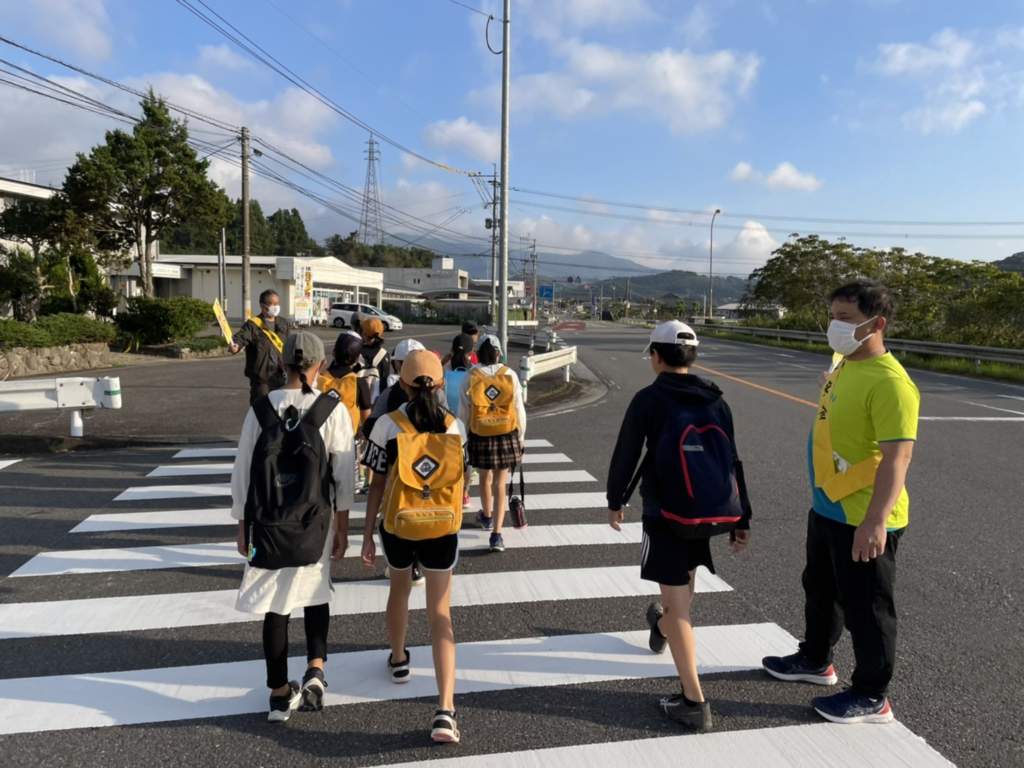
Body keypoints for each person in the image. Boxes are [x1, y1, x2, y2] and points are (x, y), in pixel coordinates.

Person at [762, 280, 919, 725]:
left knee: (868, 609)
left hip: (865, 516)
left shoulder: (893, 384)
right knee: (821, 590)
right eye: (832, 317)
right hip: (829, 505)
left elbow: (897, 459)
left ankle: (872, 695)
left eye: (846, 319)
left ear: (877, 323)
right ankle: (815, 659)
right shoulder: (844, 366)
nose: (836, 327)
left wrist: (876, 521)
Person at [606, 320, 752, 731]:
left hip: (665, 513)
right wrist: (744, 518)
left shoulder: (649, 399)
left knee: (676, 605)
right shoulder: (716, 401)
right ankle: (663, 624)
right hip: (708, 514)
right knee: (681, 593)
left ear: (655, 356)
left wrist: (615, 501)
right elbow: (733, 462)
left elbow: (626, 453)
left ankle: (694, 701)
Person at [230, 330, 354, 723]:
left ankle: (279, 693)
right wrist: (343, 528)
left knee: (275, 605)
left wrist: (241, 526)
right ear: (317, 366)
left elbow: (243, 474)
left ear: (281, 364)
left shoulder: (261, 409)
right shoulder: (332, 409)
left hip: (267, 523)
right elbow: (344, 476)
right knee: (316, 593)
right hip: (314, 522)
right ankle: (316, 670)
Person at [360, 350, 466, 743]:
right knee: (441, 612)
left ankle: (400, 659)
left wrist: (368, 534)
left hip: (398, 524)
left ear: (401, 383)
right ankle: (445, 709)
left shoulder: (387, 425)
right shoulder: (455, 428)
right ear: (440, 384)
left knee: (399, 591)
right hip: (441, 526)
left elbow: (376, 485)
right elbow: (460, 481)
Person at [459, 334, 526, 552]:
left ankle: (486, 516)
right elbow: (519, 410)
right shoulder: (510, 375)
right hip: (506, 434)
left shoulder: (470, 376)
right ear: (498, 353)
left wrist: (464, 440)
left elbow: (463, 414)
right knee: (500, 483)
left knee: (485, 478)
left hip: (480, 434)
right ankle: (497, 534)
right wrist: (521, 438)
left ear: (477, 354)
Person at [229, 289, 294, 406]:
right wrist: (235, 346)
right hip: (261, 379)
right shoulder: (252, 325)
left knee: (280, 410)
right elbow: (241, 337)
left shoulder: (283, 323)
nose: (276, 307)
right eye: (272, 304)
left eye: (277, 304)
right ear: (263, 306)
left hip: (281, 376)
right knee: (261, 411)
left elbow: (290, 345)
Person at [318, 333, 373, 437]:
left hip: (320, 440)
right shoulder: (359, 383)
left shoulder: (318, 379)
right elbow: (366, 421)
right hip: (345, 443)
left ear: (334, 352)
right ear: (357, 359)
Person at [359, 317, 391, 404]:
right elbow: (384, 380)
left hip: (357, 399)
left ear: (364, 333)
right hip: (375, 401)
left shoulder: (356, 352)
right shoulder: (384, 354)